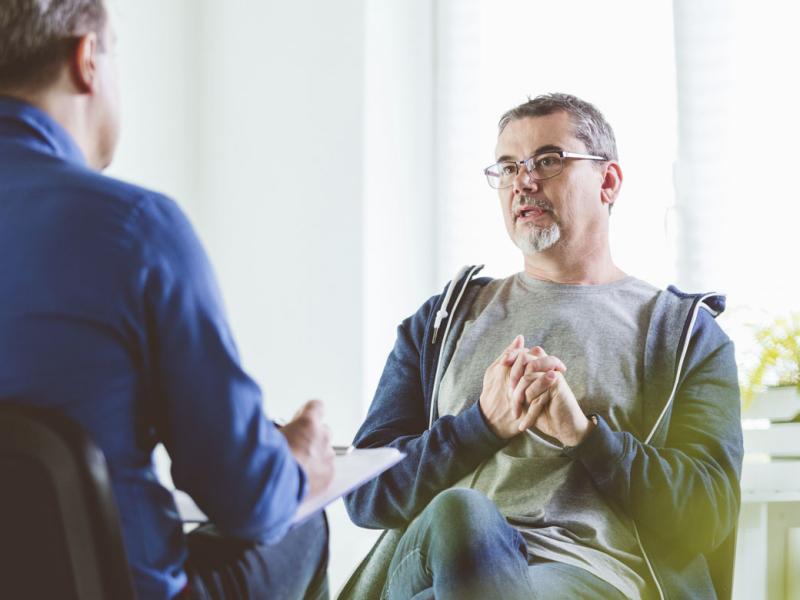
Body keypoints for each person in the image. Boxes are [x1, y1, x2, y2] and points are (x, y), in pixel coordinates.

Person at [341, 93, 743, 600]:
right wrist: (479, 425)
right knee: (461, 512)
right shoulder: (445, 321)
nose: (523, 182)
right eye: (508, 168)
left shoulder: (683, 335)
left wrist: (586, 437)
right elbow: (364, 493)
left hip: (587, 575)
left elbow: (707, 516)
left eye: (548, 161)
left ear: (609, 181)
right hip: (435, 559)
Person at [0, 1, 333, 598]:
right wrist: (298, 462)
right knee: (304, 525)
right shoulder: (135, 229)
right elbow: (248, 502)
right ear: (87, 61)